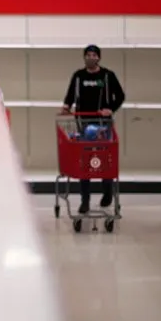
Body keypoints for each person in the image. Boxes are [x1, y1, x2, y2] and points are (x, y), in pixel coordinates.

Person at [61, 45, 125, 214]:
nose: (91, 57)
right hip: (83, 125)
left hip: (104, 125)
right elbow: (70, 95)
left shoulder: (107, 76)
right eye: (88, 55)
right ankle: (85, 201)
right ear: (84, 57)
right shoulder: (78, 76)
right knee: (85, 164)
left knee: (104, 160)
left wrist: (110, 108)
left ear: (99, 57)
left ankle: (107, 191)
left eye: (94, 55)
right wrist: (67, 106)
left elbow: (120, 95)